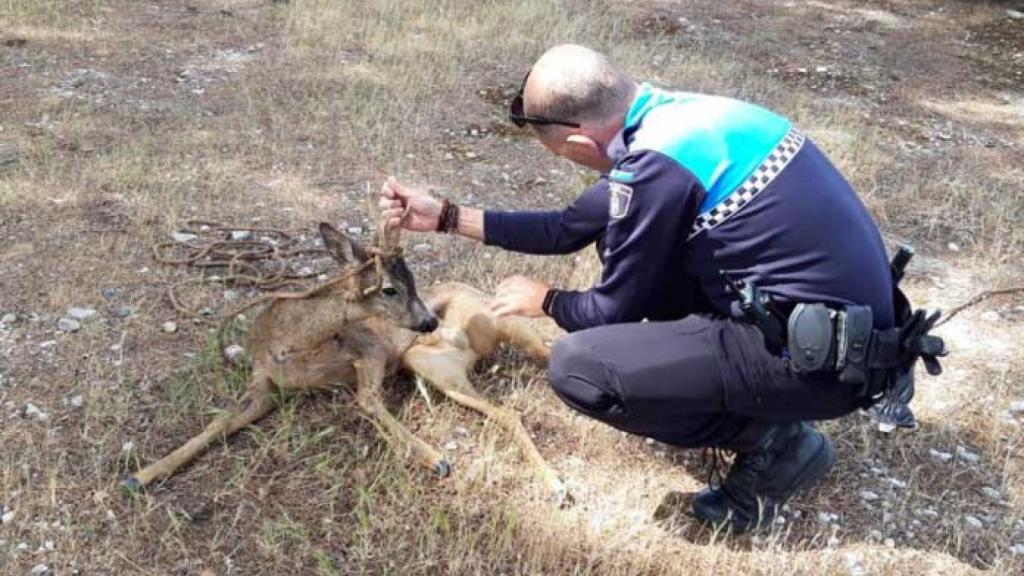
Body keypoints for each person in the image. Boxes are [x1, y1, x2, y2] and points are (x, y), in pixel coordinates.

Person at [377, 44, 905, 532]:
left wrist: (549, 301)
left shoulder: (653, 169)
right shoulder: (685, 120)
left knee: (579, 367)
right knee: (619, 240)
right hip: (846, 337)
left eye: (566, 154)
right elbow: (569, 226)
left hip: (821, 365)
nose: (575, 163)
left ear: (581, 139)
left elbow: (609, 310)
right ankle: (754, 402)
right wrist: (445, 216)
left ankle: (776, 442)